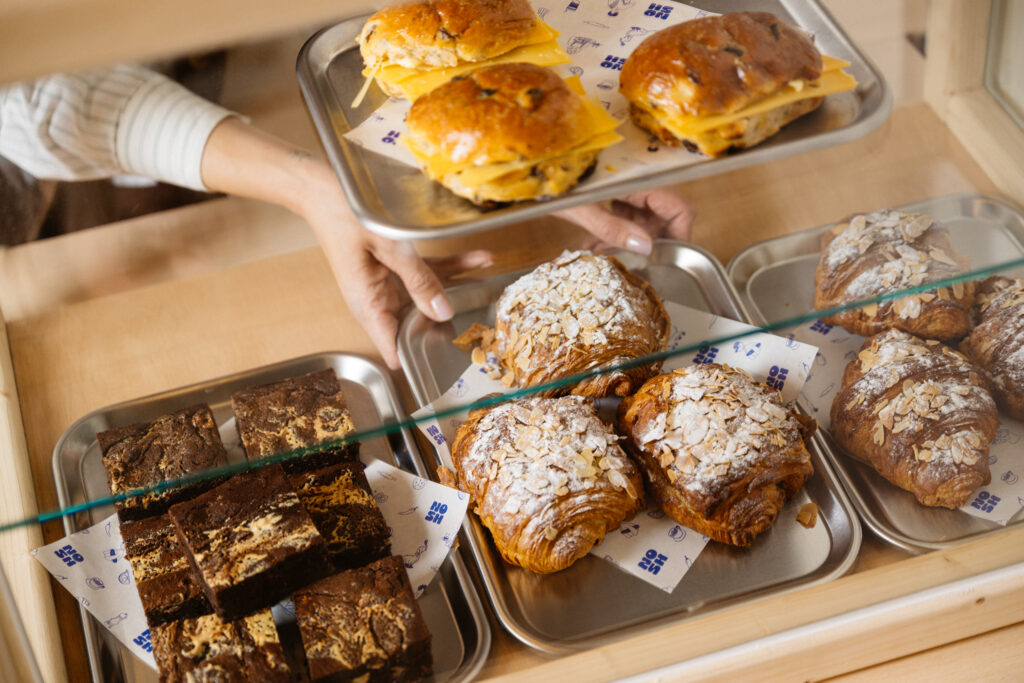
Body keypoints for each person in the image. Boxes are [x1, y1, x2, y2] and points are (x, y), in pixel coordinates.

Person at [0, 64, 695, 368]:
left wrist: (535, 140)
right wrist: (310, 186)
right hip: (80, 186)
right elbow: (42, 101)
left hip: (256, 86)